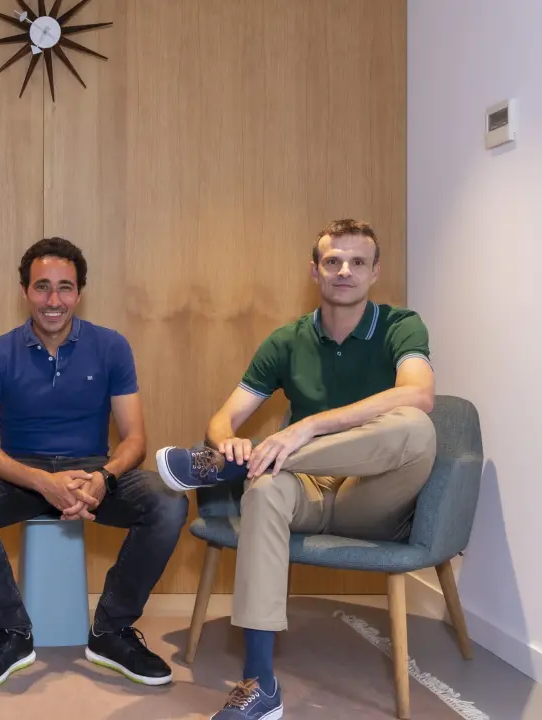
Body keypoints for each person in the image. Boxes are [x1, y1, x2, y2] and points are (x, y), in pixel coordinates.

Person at [154, 219, 437, 720]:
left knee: (416, 427)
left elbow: (419, 393)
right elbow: (223, 418)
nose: (344, 270)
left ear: (375, 272)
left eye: (357, 262)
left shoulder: (401, 325)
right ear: (314, 271)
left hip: (371, 497)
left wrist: (306, 429)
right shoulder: (286, 340)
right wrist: (225, 441)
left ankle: (230, 468)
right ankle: (260, 684)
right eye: (333, 261)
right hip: (305, 490)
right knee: (264, 492)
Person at [0, 237, 189, 690]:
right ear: (24, 291)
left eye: (65, 288)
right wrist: (42, 481)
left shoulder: (111, 346)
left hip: (92, 471)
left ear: (79, 292)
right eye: (42, 287)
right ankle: (11, 632)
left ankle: (111, 631)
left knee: (168, 501)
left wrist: (104, 477)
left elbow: (135, 439)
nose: (53, 300)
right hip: (21, 473)